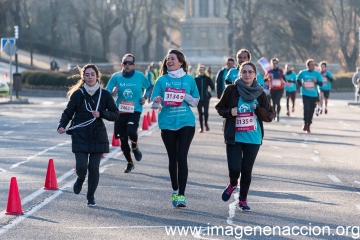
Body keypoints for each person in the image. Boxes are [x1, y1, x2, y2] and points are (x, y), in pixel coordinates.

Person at [215, 61, 274, 211]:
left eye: (250, 72)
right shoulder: (231, 90)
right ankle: (233, 183)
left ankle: (243, 199)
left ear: (255, 75)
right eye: (244, 72)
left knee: (247, 170)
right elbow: (220, 108)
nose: (247, 75)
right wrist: (230, 113)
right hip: (234, 136)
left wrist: (258, 110)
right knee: (234, 167)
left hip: (253, 138)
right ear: (240, 74)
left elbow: (270, 115)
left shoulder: (260, 93)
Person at [57, 64, 119, 207]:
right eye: (87, 75)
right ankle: (80, 179)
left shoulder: (105, 95)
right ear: (83, 77)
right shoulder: (78, 94)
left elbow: (115, 114)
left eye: (92, 74)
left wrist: (101, 113)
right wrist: (62, 125)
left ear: (97, 76)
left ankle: (90, 196)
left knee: (94, 167)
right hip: (80, 135)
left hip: (98, 136)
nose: (90, 77)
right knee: (81, 167)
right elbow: (68, 112)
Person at [150, 49, 199, 208]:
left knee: (181, 157)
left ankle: (182, 196)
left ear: (181, 62)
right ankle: (175, 189)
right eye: (168, 59)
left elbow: (195, 101)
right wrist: (157, 100)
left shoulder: (189, 80)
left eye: (172, 59)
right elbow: (154, 104)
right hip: (167, 123)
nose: (169, 61)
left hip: (186, 122)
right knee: (173, 158)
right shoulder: (161, 81)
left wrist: (184, 96)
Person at [106, 53, 152, 173]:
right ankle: (130, 162)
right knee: (122, 140)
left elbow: (149, 87)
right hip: (119, 112)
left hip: (134, 110)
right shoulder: (116, 77)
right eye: (125, 63)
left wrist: (145, 97)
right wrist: (112, 93)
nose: (127, 65)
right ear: (122, 64)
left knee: (131, 131)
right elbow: (107, 91)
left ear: (134, 65)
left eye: (130, 63)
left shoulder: (140, 76)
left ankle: (135, 147)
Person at [296, 59, 323, 133]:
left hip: (314, 94)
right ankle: (305, 123)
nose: (313, 66)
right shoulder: (303, 72)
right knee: (306, 108)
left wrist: (316, 82)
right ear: (307, 66)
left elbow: (321, 84)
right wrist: (302, 85)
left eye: (314, 65)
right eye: (311, 65)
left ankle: (309, 124)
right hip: (305, 94)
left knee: (311, 110)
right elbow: (297, 79)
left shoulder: (317, 74)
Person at [195, 65, 215, 133]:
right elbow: (192, 88)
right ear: (198, 71)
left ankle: (205, 123)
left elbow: (212, 87)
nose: (201, 71)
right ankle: (201, 128)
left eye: (202, 70)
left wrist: (210, 81)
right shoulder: (196, 79)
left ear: (204, 71)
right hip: (198, 98)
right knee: (200, 113)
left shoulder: (207, 78)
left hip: (206, 98)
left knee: (206, 112)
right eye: (200, 70)